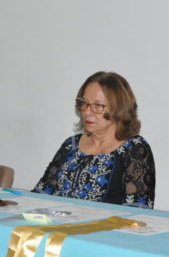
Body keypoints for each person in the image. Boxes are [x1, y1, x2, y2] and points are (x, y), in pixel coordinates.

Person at [33, 71, 156, 207]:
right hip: (56, 224)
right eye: (84, 103)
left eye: (98, 106)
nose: (86, 111)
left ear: (119, 109)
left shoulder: (134, 149)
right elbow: (41, 193)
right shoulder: (71, 145)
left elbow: (138, 210)